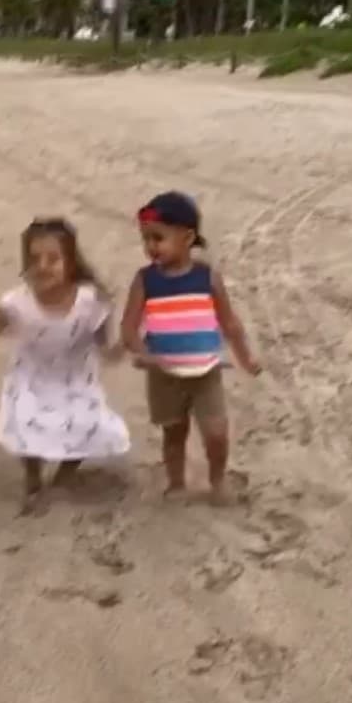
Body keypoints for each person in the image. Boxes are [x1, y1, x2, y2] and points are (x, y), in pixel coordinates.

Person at [0, 217, 129, 513]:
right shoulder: (16, 303)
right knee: (26, 426)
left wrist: (125, 346)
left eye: (53, 258)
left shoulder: (90, 302)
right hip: (30, 377)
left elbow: (106, 349)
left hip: (75, 379)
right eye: (34, 259)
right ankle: (33, 478)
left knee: (86, 425)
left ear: (70, 263)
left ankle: (65, 474)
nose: (43, 266)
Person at [121, 191, 260, 504]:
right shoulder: (145, 281)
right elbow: (128, 328)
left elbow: (230, 323)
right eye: (146, 239)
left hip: (206, 371)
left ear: (187, 237)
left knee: (216, 432)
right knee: (174, 434)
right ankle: (176, 482)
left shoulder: (207, 277)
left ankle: (217, 479)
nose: (151, 246)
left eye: (159, 237)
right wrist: (143, 354)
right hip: (164, 374)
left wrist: (246, 358)